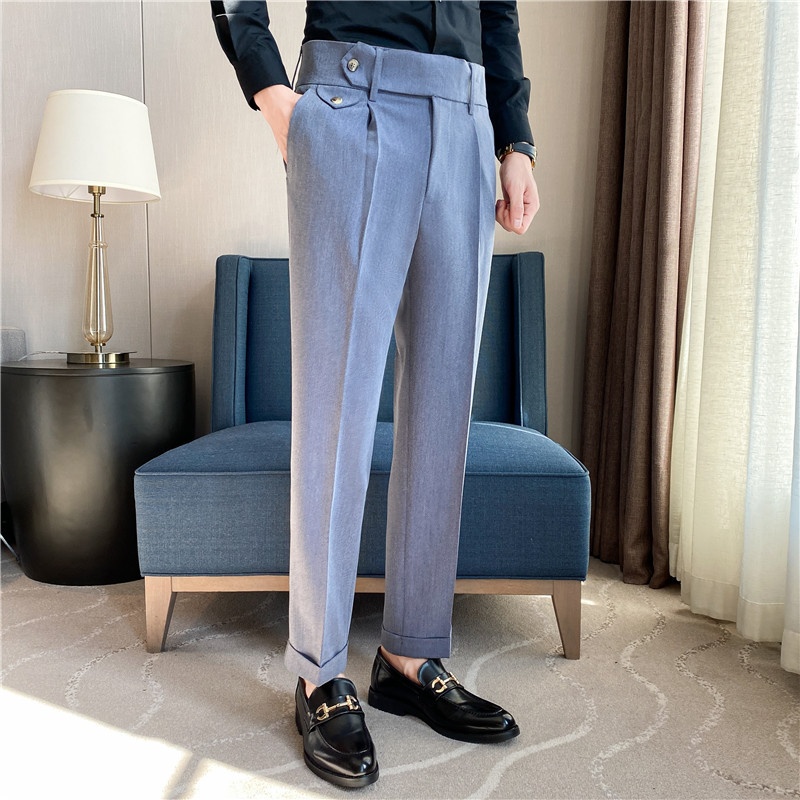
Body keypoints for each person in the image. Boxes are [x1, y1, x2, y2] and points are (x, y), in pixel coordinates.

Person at [211, 0, 539, 788]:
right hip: (350, 101)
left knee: (444, 405)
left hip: (466, 119)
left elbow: (498, 9)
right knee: (337, 404)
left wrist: (515, 139)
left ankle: (410, 656)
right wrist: (273, 93)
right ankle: (318, 672)